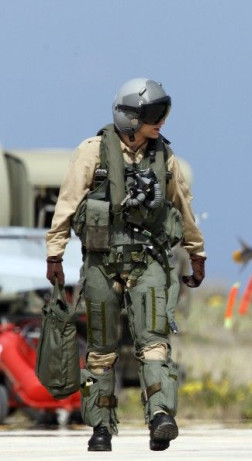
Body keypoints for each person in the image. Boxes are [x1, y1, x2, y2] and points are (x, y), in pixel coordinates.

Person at [45, 78, 206, 452]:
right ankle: (100, 427)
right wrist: (55, 255)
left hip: (148, 260)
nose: (161, 121)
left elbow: (183, 207)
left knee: (154, 345)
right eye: (153, 114)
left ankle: (161, 416)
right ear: (130, 116)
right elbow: (67, 206)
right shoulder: (92, 152)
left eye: (162, 113)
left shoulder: (164, 157)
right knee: (101, 350)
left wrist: (196, 252)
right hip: (101, 263)